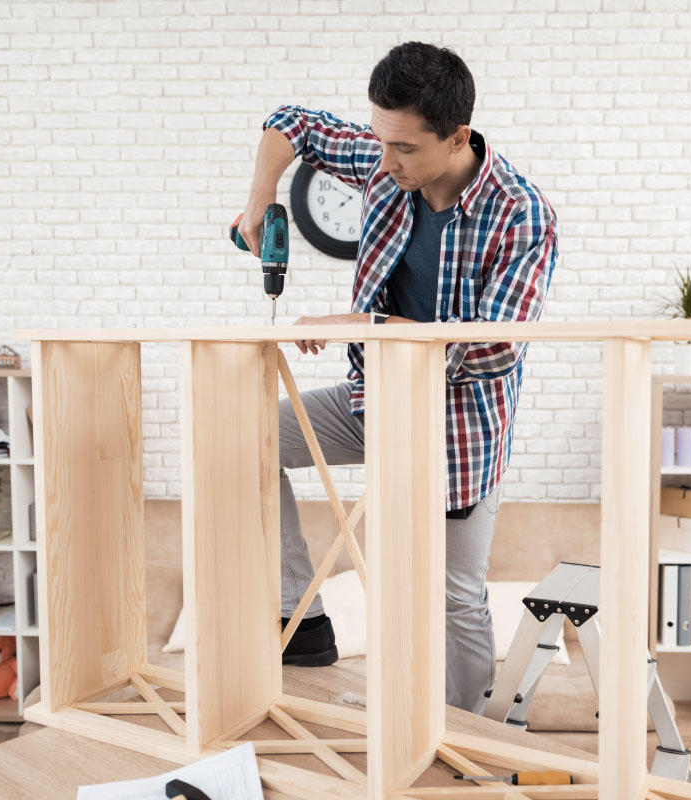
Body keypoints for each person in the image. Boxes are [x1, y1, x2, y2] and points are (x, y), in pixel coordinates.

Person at [238, 41, 558, 714]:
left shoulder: (522, 215)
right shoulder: (389, 160)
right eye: (380, 141)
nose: (383, 162)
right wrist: (261, 199)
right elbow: (289, 121)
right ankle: (305, 620)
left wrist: (362, 324)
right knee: (248, 433)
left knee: (455, 596)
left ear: (457, 137)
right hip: (372, 403)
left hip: (456, 431)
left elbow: (492, 347)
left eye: (404, 148)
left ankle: (465, 732)